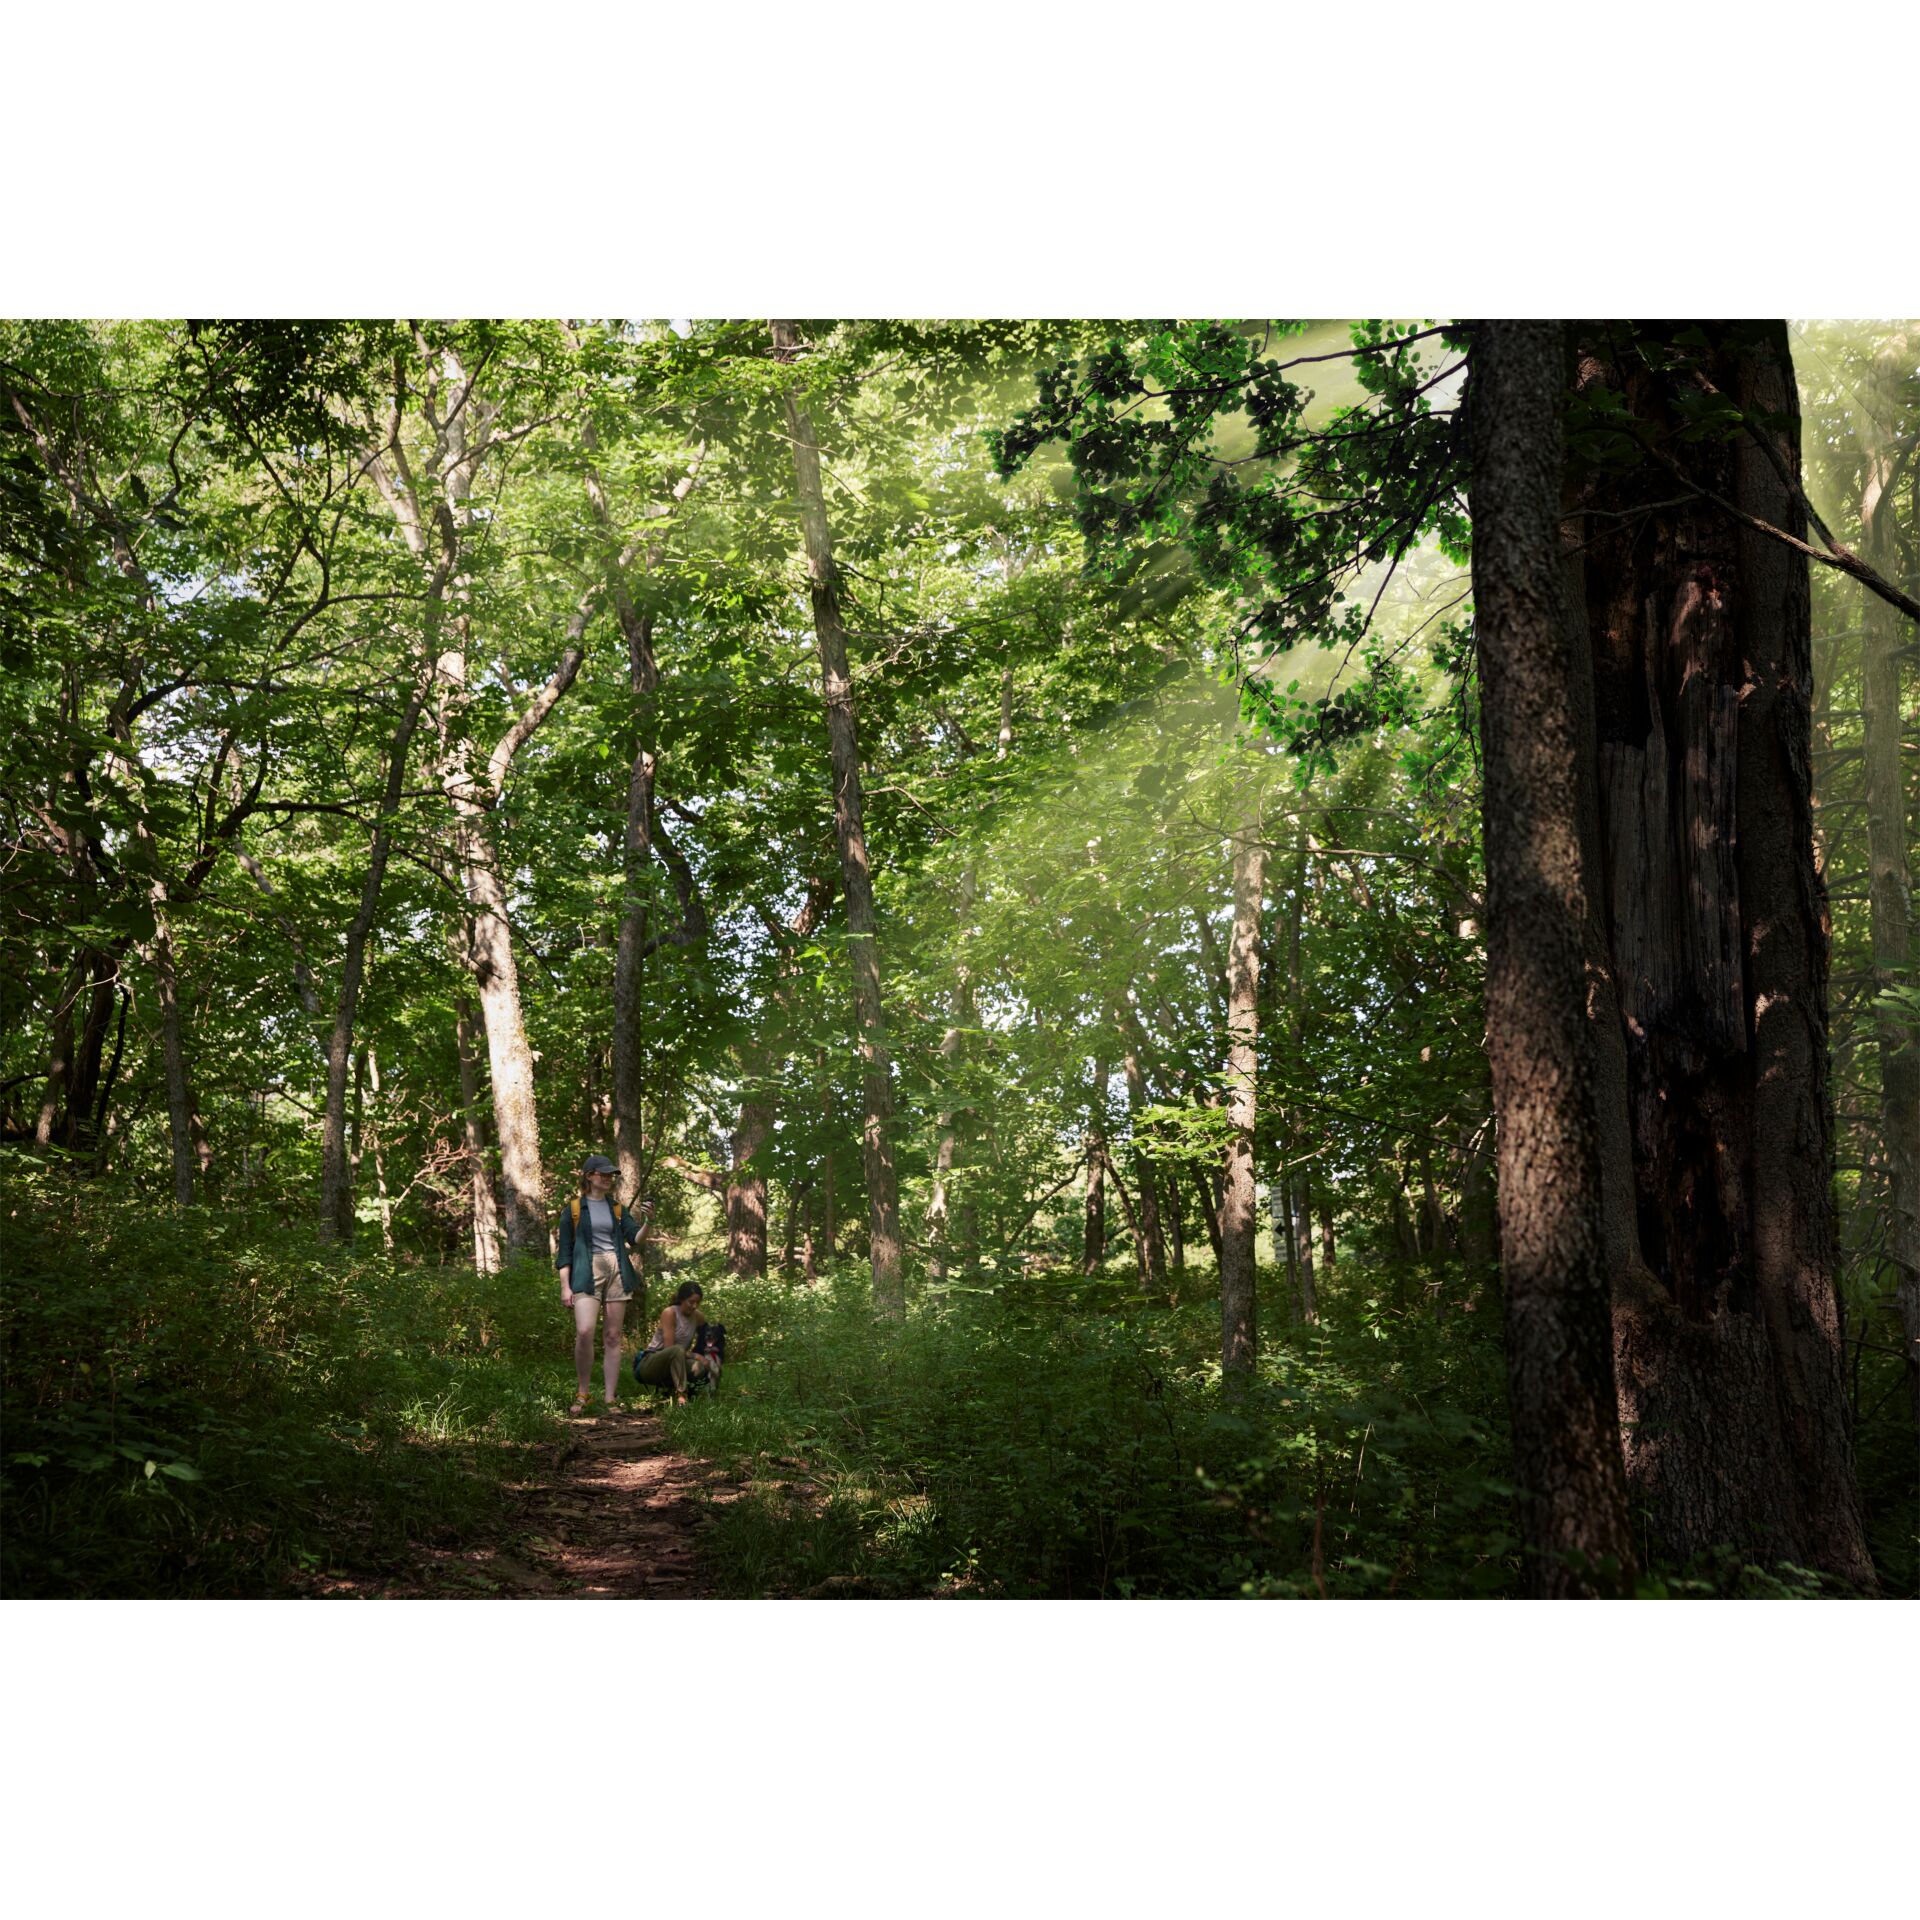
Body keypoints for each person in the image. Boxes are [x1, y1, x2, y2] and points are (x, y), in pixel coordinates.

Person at [555, 1153, 651, 1416]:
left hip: (617, 1270)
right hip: (586, 1270)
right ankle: (583, 1393)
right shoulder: (573, 1210)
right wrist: (565, 1286)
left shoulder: (617, 1209)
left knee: (612, 1336)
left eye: (611, 1174)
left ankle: (610, 1398)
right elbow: (564, 1252)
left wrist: (648, 1222)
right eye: (603, 1174)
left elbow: (635, 1239)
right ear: (589, 1176)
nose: (608, 1178)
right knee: (585, 1331)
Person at [636, 1280, 717, 1405]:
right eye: (691, 1302)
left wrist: (707, 1357)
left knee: (699, 1367)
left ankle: (689, 1392)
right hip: (651, 1363)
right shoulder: (670, 1313)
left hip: (678, 1363)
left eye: (698, 1302)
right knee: (677, 1349)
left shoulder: (698, 1317)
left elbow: (706, 1340)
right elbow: (670, 1348)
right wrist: (696, 1356)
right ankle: (681, 1396)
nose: (694, 1306)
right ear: (681, 1299)